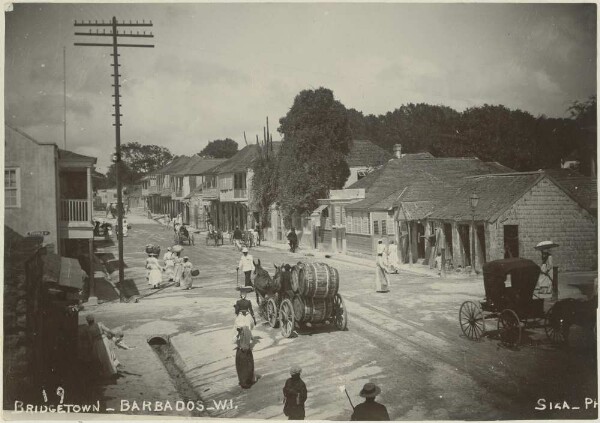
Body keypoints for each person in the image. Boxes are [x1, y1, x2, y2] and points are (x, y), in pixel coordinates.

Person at [233, 306, 255, 389]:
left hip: (241, 351)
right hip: (247, 350)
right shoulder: (248, 330)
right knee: (249, 366)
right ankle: (249, 381)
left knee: (242, 367)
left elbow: (235, 340)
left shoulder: (239, 332)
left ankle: (243, 382)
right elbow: (251, 332)